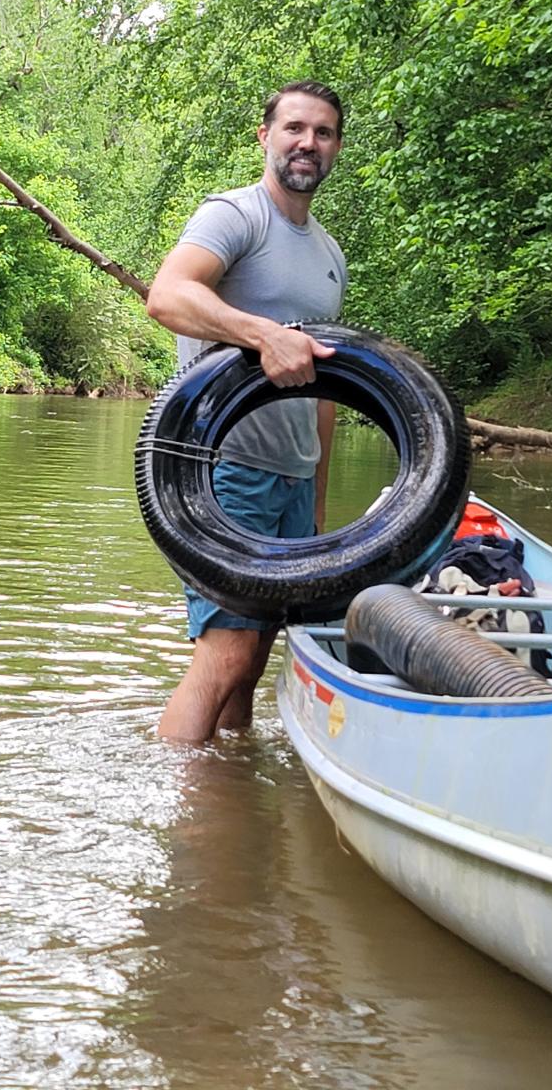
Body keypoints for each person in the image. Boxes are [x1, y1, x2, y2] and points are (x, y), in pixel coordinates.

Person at [146, 80, 348, 742]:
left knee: (254, 658)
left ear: (336, 149)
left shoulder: (330, 256)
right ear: (265, 137)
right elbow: (167, 295)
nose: (307, 143)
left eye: (322, 133)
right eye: (294, 128)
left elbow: (321, 387)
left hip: (290, 477)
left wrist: (316, 508)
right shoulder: (234, 215)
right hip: (221, 464)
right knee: (226, 651)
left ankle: (228, 797)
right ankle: (183, 816)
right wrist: (262, 333)